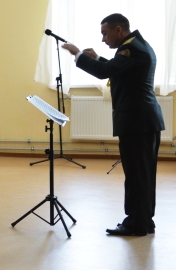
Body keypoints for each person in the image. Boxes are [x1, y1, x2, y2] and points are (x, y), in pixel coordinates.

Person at [62, 13, 164, 236]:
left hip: (136, 122)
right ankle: (144, 220)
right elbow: (118, 70)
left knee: (136, 175)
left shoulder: (131, 49)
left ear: (118, 30)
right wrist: (98, 58)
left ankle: (135, 224)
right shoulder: (138, 45)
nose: (103, 39)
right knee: (144, 175)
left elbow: (105, 72)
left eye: (105, 33)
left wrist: (78, 54)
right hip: (144, 120)